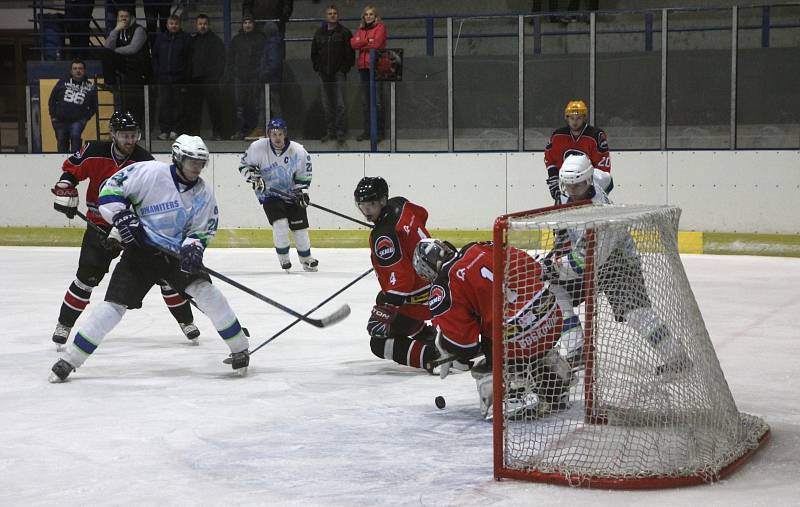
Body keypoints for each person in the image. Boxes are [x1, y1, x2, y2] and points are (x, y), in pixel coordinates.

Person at [49, 134, 251, 382]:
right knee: (112, 308)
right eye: (191, 161)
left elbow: (201, 229)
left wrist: (193, 248)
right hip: (140, 254)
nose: (196, 167)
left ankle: (239, 347)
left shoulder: (203, 195)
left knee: (207, 293)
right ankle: (70, 359)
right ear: (178, 158)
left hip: (175, 256)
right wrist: (121, 217)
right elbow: (110, 190)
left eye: (201, 163)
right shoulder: (150, 172)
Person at [49, 111, 200, 350]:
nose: (130, 141)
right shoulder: (94, 151)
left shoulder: (145, 162)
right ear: (113, 134)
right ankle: (64, 324)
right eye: (124, 135)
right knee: (86, 278)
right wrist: (65, 187)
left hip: (135, 231)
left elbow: (153, 200)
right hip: (99, 227)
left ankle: (186, 321)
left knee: (164, 275)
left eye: (133, 135)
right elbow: (71, 172)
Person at [541, 154, 690, 375]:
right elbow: (607, 178)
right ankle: (576, 350)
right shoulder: (593, 180)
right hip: (592, 257)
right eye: (569, 186)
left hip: (618, 263)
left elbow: (584, 262)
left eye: (579, 185)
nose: (573, 192)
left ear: (588, 181)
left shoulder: (600, 217)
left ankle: (676, 358)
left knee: (636, 313)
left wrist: (552, 267)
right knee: (552, 292)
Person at [413, 238, 571, 420]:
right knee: (516, 325)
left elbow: (464, 346)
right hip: (551, 318)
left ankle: (512, 395)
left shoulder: (443, 286)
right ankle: (557, 381)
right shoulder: (479, 247)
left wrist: (445, 345)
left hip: (518, 341)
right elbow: (535, 268)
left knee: (489, 350)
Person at [353, 176, 439, 371]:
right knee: (382, 297)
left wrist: (385, 311)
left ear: (383, 201)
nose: (367, 211)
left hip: (423, 301)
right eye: (363, 206)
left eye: (372, 205)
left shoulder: (383, 235)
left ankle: (432, 357)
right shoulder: (401, 203)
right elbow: (422, 214)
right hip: (438, 287)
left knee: (378, 343)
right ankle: (426, 335)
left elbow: (403, 280)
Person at [239, 118, 318, 272]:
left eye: (280, 134)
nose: (277, 138)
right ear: (269, 134)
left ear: (285, 134)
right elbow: (244, 165)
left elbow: (304, 174)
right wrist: (255, 178)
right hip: (269, 194)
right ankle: (284, 259)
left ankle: (306, 258)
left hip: (291, 193)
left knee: (300, 228)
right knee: (280, 224)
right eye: (273, 134)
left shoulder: (298, 151)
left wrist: (302, 191)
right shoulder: (258, 147)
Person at [242, 0, 294, 137]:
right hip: (269, 81)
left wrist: (263, 74)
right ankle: (261, 128)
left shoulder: (273, 45)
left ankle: (280, 131)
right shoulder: (272, 44)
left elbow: (273, 64)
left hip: (271, 81)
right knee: (265, 105)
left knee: (274, 105)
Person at [544, 99, 611, 202]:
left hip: (590, 185)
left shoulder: (595, 135)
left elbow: (602, 167)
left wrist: (592, 186)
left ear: (584, 118)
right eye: (572, 118)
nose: (575, 122)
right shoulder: (558, 136)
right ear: (567, 118)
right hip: (567, 185)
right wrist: (554, 179)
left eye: (578, 118)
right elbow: (550, 159)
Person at [311, 4, 354, 145]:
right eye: (330, 13)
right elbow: (314, 53)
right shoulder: (319, 33)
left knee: (340, 104)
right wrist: (318, 67)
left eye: (335, 13)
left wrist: (343, 69)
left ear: (338, 15)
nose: (332, 15)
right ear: (326, 16)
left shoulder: (345, 33)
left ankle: (340, 132)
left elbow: (350, 54)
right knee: (327, 105)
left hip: (338, 74)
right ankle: (330, 132)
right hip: (324, 74)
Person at [102, 7, 151, 125]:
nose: (123, 19)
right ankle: (110, 83)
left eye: (126, 16)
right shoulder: (118, 29)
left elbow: (133, 48)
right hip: (124, 64)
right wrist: (116, 30)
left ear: (131, 17)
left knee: (134, 101)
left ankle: (138, 125)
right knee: (106, 52)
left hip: (138, 66)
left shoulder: (139, 30)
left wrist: (115, 50)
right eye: (121, 16)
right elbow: (107, 46)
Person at [187, 14, 227, 140]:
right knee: (194, 109)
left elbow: (221, 61)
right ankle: (195, 135)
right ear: (196, 25)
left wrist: (215, 76)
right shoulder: (192, 41)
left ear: (208, 25)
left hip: (211, 80)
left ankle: (218, 133)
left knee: (215, 108)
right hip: (195, 80)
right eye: (200, 24)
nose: (202, 26)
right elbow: (189, 61)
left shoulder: (216, 41)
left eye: (204, 24)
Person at [152, 14, 191, 141]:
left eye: (176, 24)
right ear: (167, 25)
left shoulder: (185, 38)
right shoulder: (160, 39)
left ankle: (176, 130)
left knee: (179, 106)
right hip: (163, 79)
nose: (173, 26)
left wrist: (185, 76)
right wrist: (158, 72)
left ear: (179, 25)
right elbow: (155, 57)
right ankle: (165, 130)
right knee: (164, 105)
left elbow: (189, 59)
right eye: (171, 24)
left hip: (179, 79)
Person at [350, 4, 386, 142]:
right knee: (366, 102)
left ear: (375, 16)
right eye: (366, 14)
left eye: (371, 14)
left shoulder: (380, 28)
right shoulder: (361, 29)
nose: (368, 16)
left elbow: (376, 44)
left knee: (377, 101)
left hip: (376, 67)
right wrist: (367, 41)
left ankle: (379, 132)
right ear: (363, 17)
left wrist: (362, 42)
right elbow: (353, 44)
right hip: (363, 68)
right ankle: (367, 131)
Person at [229, 15, 267, 140]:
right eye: (245, 22)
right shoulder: (236, 40)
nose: (247, 25)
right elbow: (231, 58)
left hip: (254, 77)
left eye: (249, 22)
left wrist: (258, 73)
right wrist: (234, 72)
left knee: (254, 105)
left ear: (253, 24)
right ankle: (241, 130)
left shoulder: (260, 39)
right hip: (240, 77)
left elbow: (263, 58)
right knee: (240, 106)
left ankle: (255, 131)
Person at [49, 59, 97, 153]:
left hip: (78, 120)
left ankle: (76, 163)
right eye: (75, 68)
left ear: (84, 70)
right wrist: (53, 117)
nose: (78, 71)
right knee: (62, 143)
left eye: (80, 68)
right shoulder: (62, 82)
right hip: (60, 120)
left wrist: (85, 118)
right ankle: (62, 164)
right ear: (71, 71)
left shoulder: (90, 86)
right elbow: (52, 99)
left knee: (75, 137)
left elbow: (94, 105)